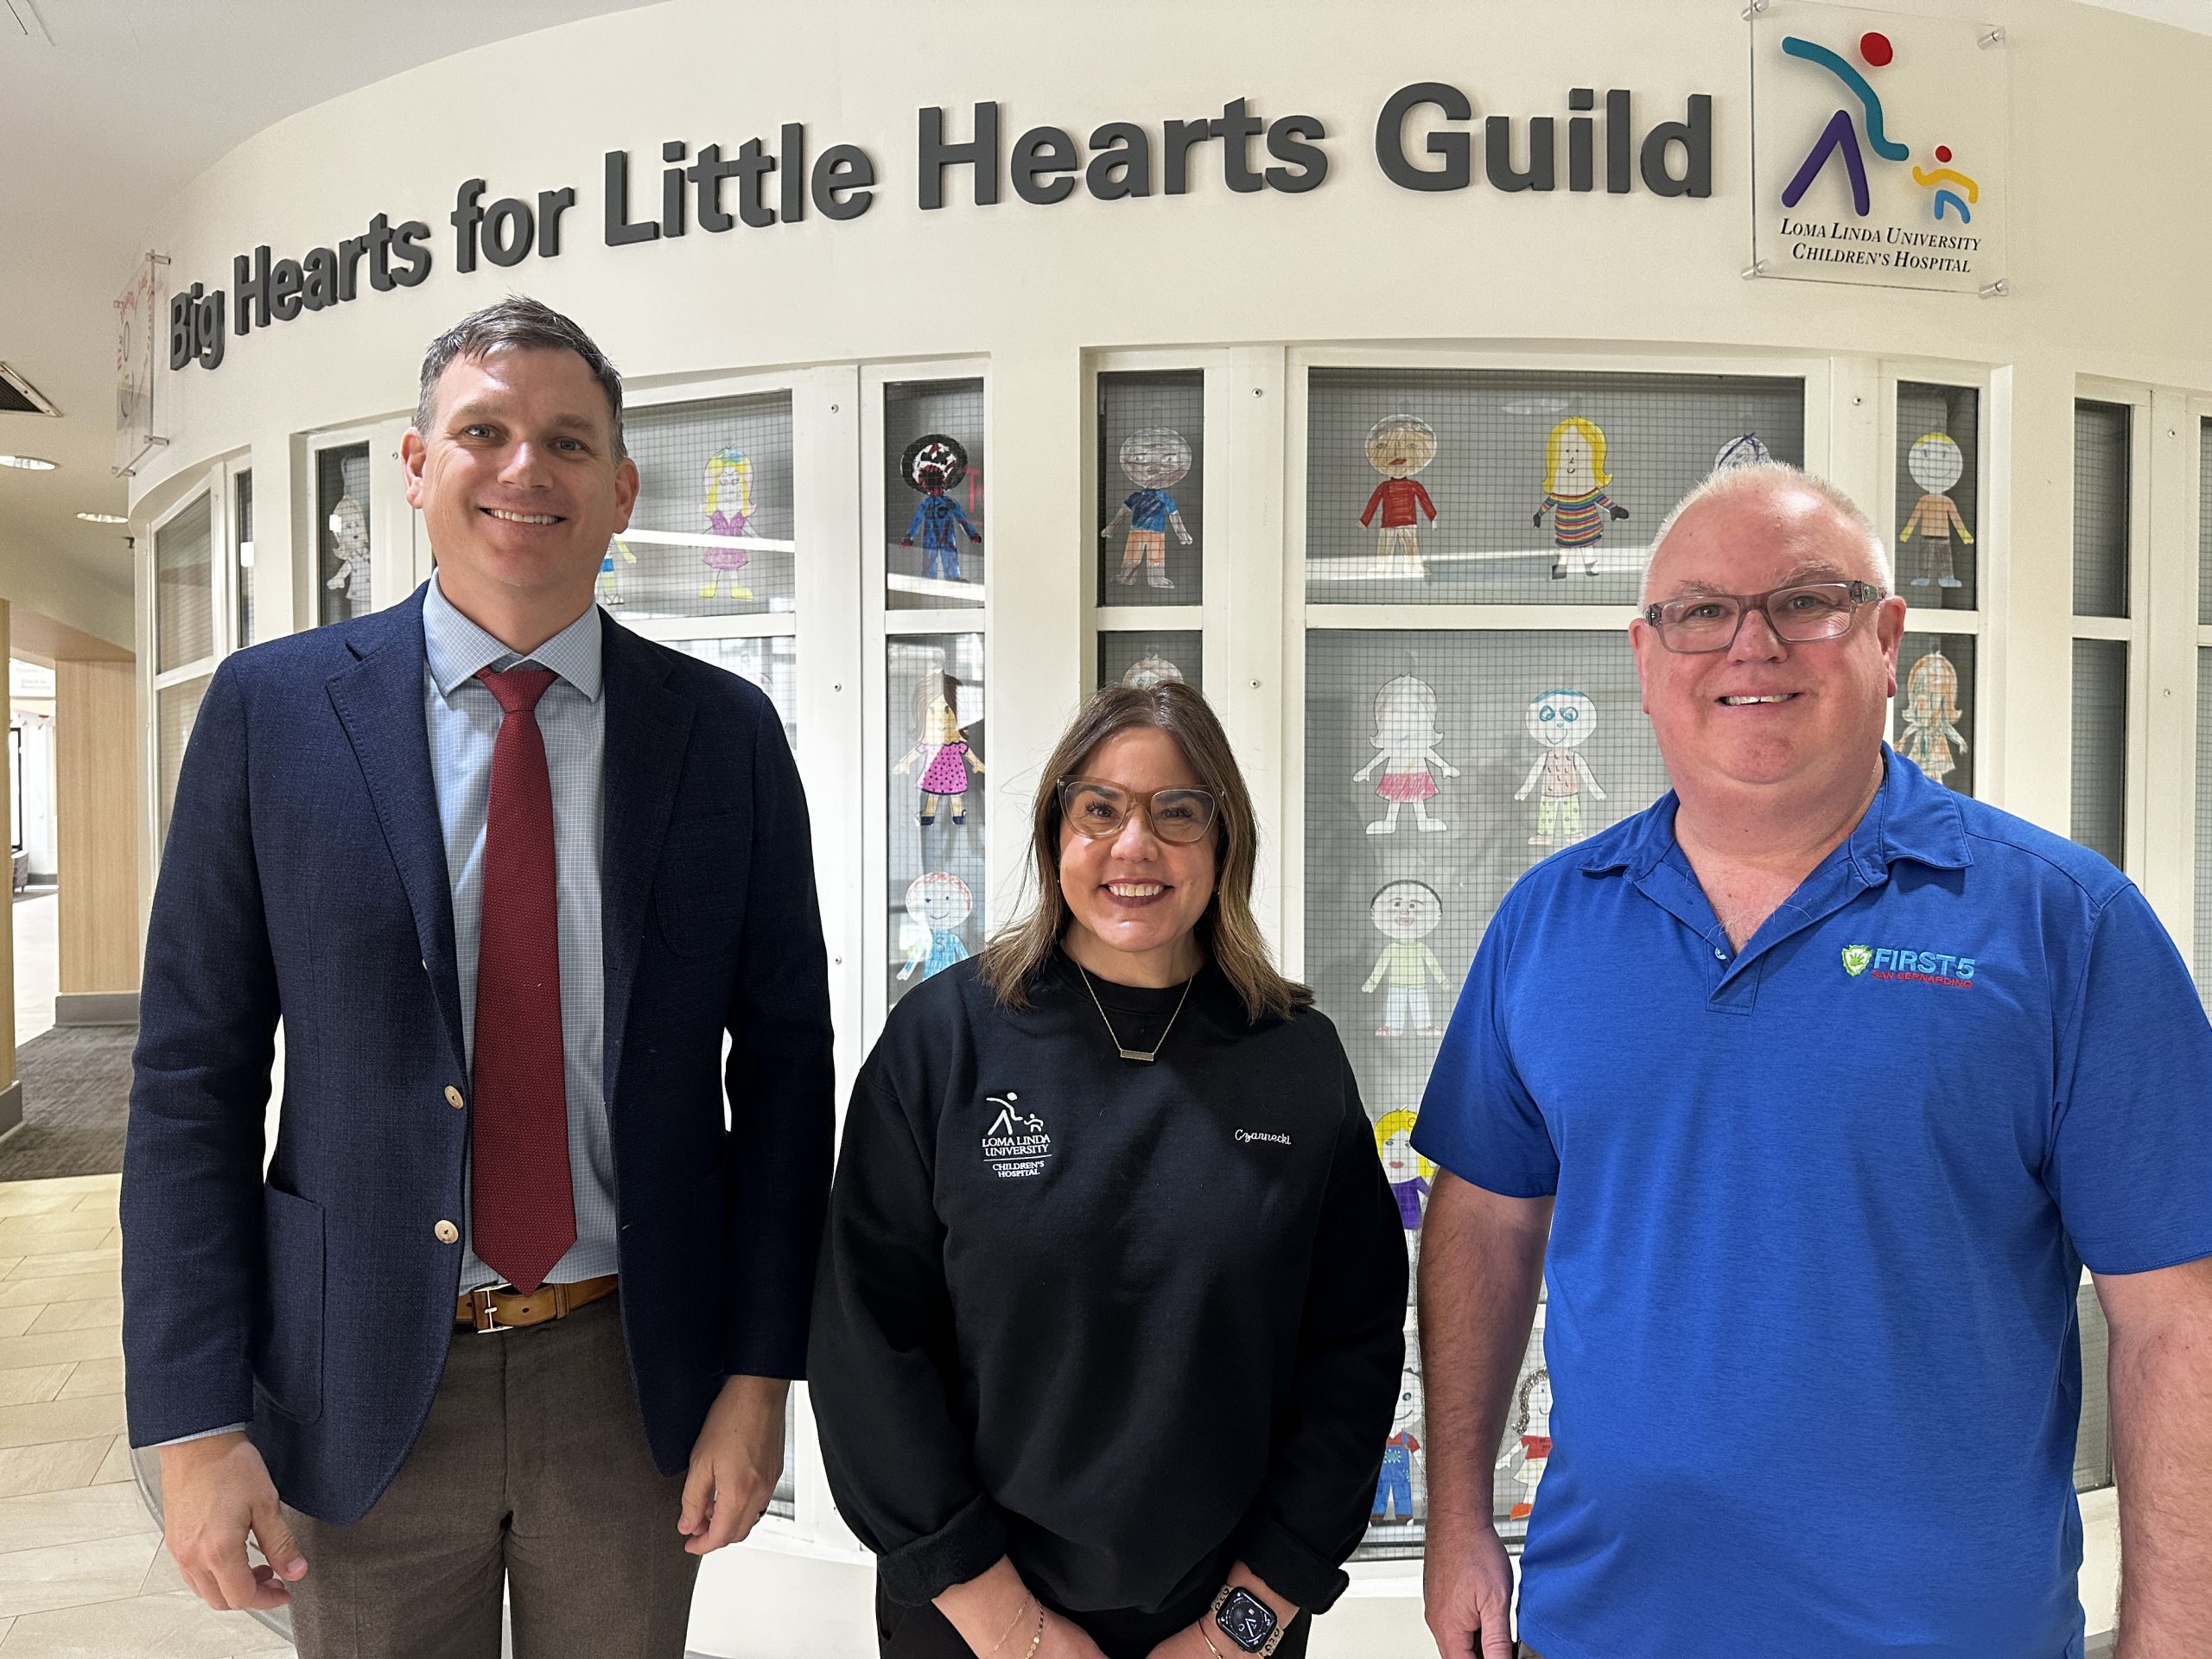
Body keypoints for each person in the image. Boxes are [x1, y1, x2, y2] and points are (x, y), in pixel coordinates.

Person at [120, 296, 836, 1659]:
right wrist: (196, 1420)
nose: (526, 470)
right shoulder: (272, 715)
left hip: (630, 1375)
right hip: (353, 1378)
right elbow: (191, 1079)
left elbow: (790, 1076)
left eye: (568, 442)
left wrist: (760, 1374)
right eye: (484, 432)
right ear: (414, 466)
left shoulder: (725, 736)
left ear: (621, 488)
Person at [1415, 461, 2212, 1659]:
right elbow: (1485, 1226)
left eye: (1807, 601)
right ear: (1646, 660)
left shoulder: (2065, 925)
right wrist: (1454, 1519)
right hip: (1602, 1627)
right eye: (1701, 612)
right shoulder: (1549, 921)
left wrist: (2177, 1634)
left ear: (1887, 639)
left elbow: (2177, 1320)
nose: (1753, 647)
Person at [810, 681, 1406, 1659]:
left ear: (1225, 845)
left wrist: (1242, 1626)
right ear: (1056, 835)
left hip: (1224, 1627)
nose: (1135, 847)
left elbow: (1352, 1352)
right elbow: (865, 1347)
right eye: (1100, 810)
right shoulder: (944, 1041)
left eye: (1178, 813)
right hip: (976, 1619)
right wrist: (1014, 1631)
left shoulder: (1295, 1059)